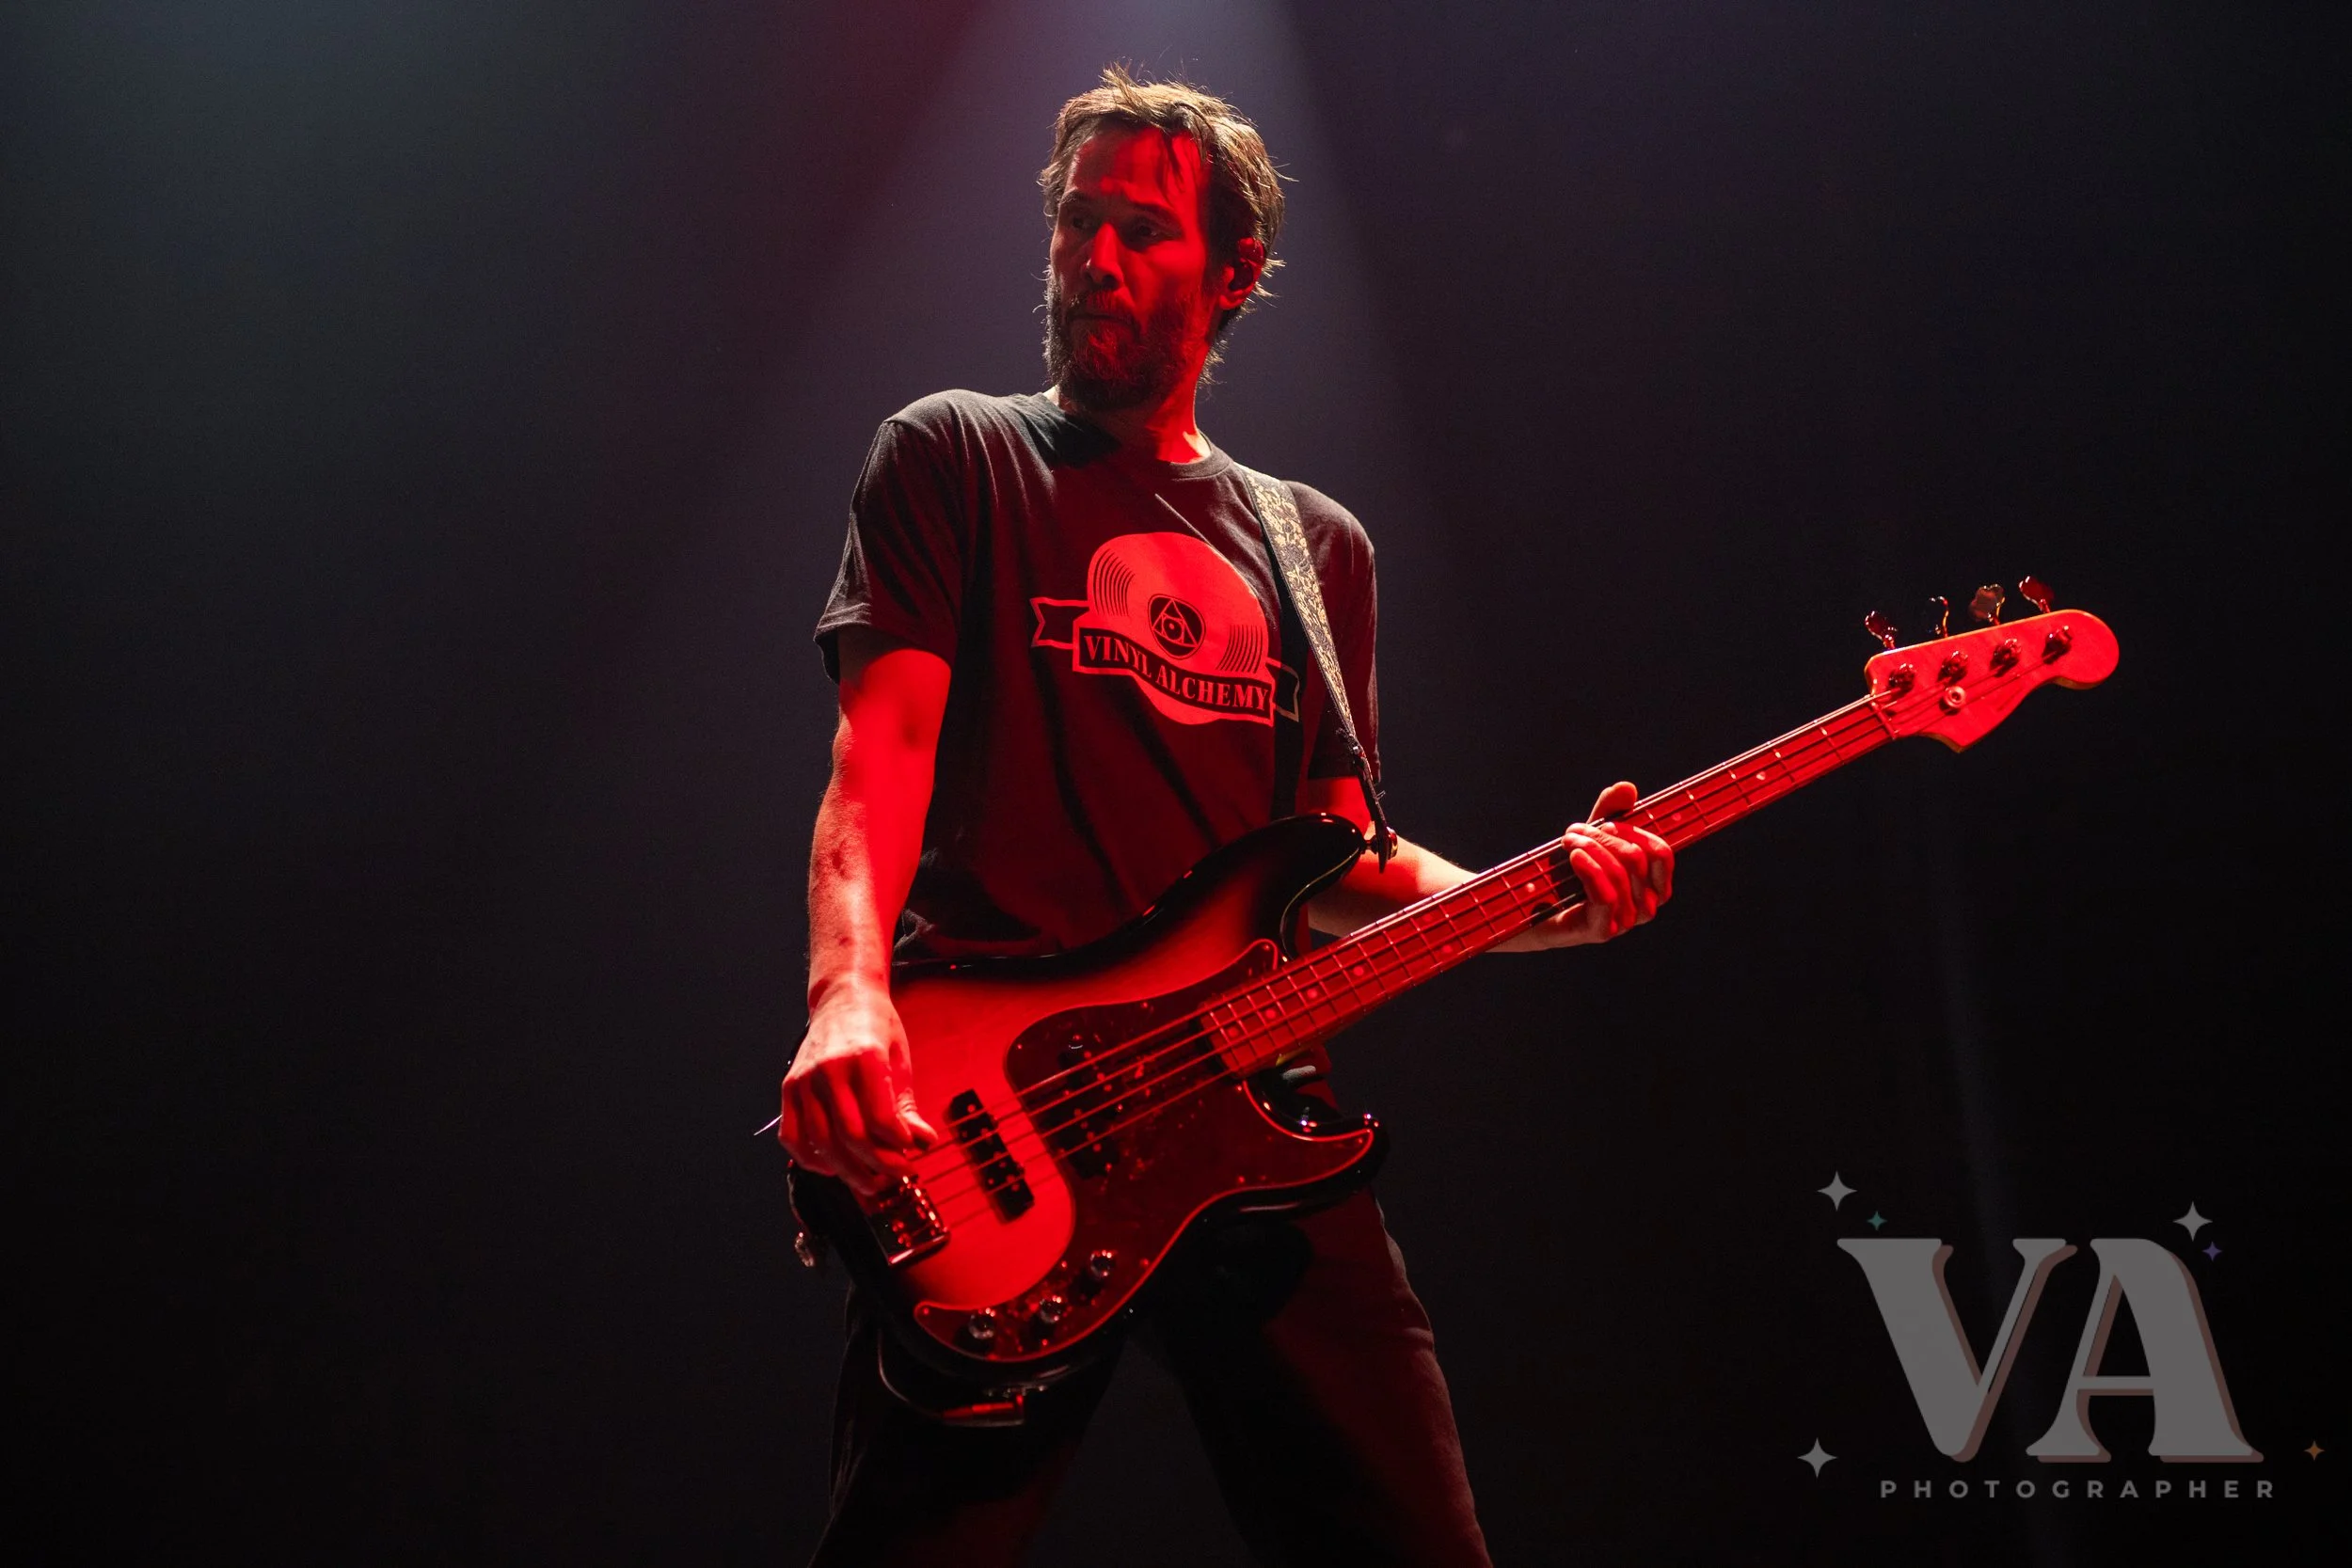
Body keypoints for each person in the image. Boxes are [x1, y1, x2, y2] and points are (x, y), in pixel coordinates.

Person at [779, 66, 1674, 1567]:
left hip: (1254, 1111)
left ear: (1235, 274)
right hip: (1004, 1110)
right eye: (1080, 221)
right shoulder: (955, 453)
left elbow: (1341, 863)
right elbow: (880, 756)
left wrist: (1544, 896)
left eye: (1142, 229)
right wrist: (844, 993)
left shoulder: (1314, 549)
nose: (1097, 258)